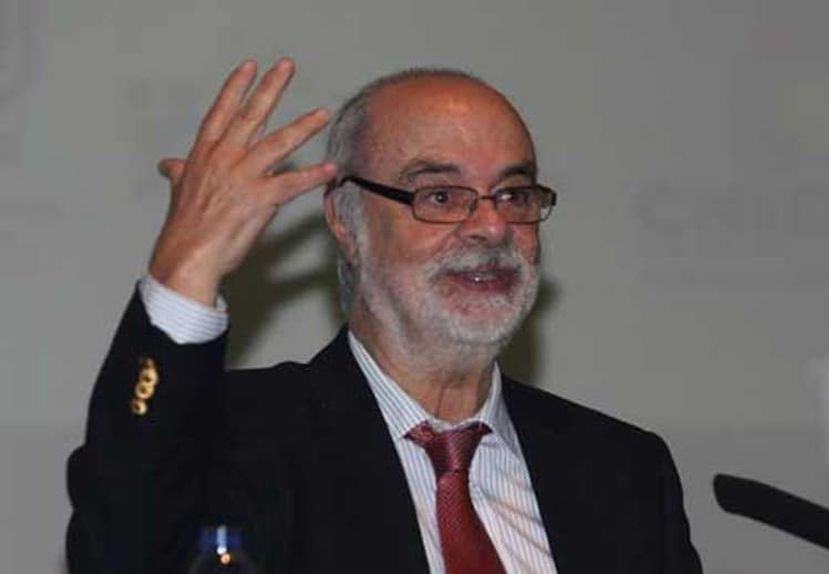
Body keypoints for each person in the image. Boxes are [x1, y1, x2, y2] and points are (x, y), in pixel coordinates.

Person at [66, 58, 702, 574]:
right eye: (441, 195)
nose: (492, 226)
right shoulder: (236, 441)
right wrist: (186, 272)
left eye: (514, 194)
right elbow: (123, 551)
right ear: (345, 221)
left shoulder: (621, 472)